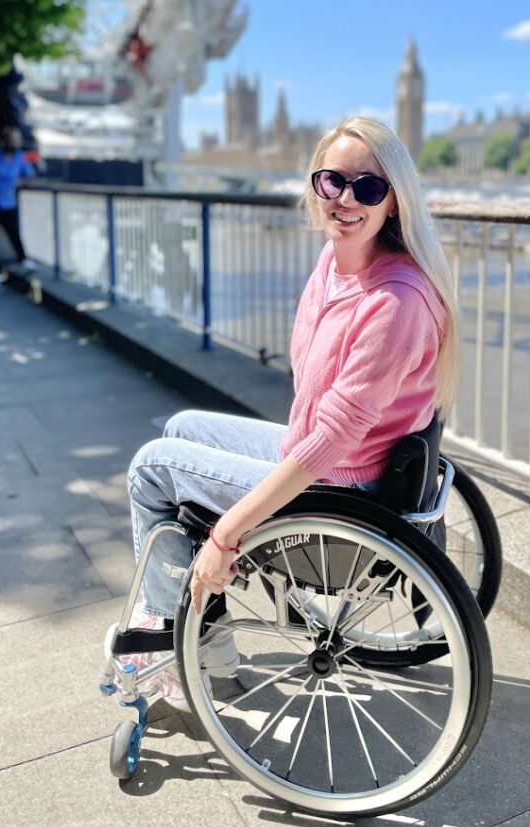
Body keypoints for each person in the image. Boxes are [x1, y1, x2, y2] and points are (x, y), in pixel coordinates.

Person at [121, 116, 459, 710]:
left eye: (369, 187)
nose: (347, 198)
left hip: (342, 486)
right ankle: (205, 629)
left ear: (394, 202)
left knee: (153, 467)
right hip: (335, 457)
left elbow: (332, 438)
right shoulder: (337, 262)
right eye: (332, 181)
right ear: (314, 187)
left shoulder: (393, 302)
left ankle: (176, 641)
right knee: (182, 428)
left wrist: (228, 532)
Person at [0, 126, 35, 288]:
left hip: (8, 203)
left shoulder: (19, 157)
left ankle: (23, 259)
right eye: (14, 139)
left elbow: (28, 175)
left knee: (14, 233)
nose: (17, 142)